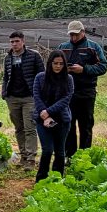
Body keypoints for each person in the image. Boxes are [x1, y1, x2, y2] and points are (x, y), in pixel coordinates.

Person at [58, 21, 107, 160]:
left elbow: (103, 66)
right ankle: (70, 155)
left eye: (76, 34)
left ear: (83, 32)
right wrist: (63, 70)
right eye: (71, 35)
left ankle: (84, 156)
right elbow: (54, 65)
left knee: (85, 125)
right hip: (67, 92)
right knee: (68, 124)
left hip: (86, 91)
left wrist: (84, 69)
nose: (73, 38)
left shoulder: (93, 47)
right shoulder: (63, 47)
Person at [2, 30, 44, 165]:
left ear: (23, 41)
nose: (14, 44)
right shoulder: (8, 58)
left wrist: (39, 94)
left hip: (29, 97)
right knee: (19, 128)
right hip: (13, 98)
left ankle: (31, 157)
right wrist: (4, 93)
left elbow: (42, 76)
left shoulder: (33, 56)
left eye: (17, 41)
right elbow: (5, 77)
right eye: (12, 42)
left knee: (29, 127)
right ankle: (23, 155)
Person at [32, 51, 74, 182]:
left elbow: (66, 99)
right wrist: (44, 115)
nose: (58, 66)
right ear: (49, 63)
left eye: (61, 64)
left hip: (62, 120)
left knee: (60, 151)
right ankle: (41, 179)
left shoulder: (68, 79)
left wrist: (48, 112)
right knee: (47, 150)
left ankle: (57, 179)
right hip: (42, 119)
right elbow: (37, 96)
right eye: (55, 63)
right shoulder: (40, 77)